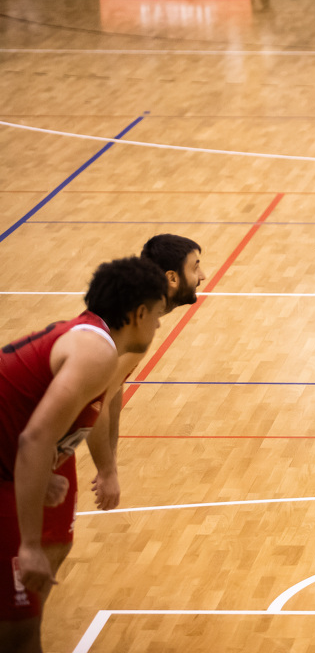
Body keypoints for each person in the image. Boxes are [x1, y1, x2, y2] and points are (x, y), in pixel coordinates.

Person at [0, 256, 168, 652]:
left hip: (6, 469)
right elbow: (34, 439)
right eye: (157, 315)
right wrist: (30, 545)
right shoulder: (96, 353)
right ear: (138, 314)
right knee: (19, 634)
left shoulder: (88, 336)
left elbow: (24, 419)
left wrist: (41, 474)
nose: (159, 326)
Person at [39, 237, 204, 617]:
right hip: (37, 438)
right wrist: (108, 472)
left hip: (55, 442)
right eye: (195, 267)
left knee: (55, 543)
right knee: (39, 546)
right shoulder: (132, 327)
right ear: (172, 278)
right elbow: (96, 399)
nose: (203, 276)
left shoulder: (137, 319)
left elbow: (111, 395)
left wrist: (109, 460)